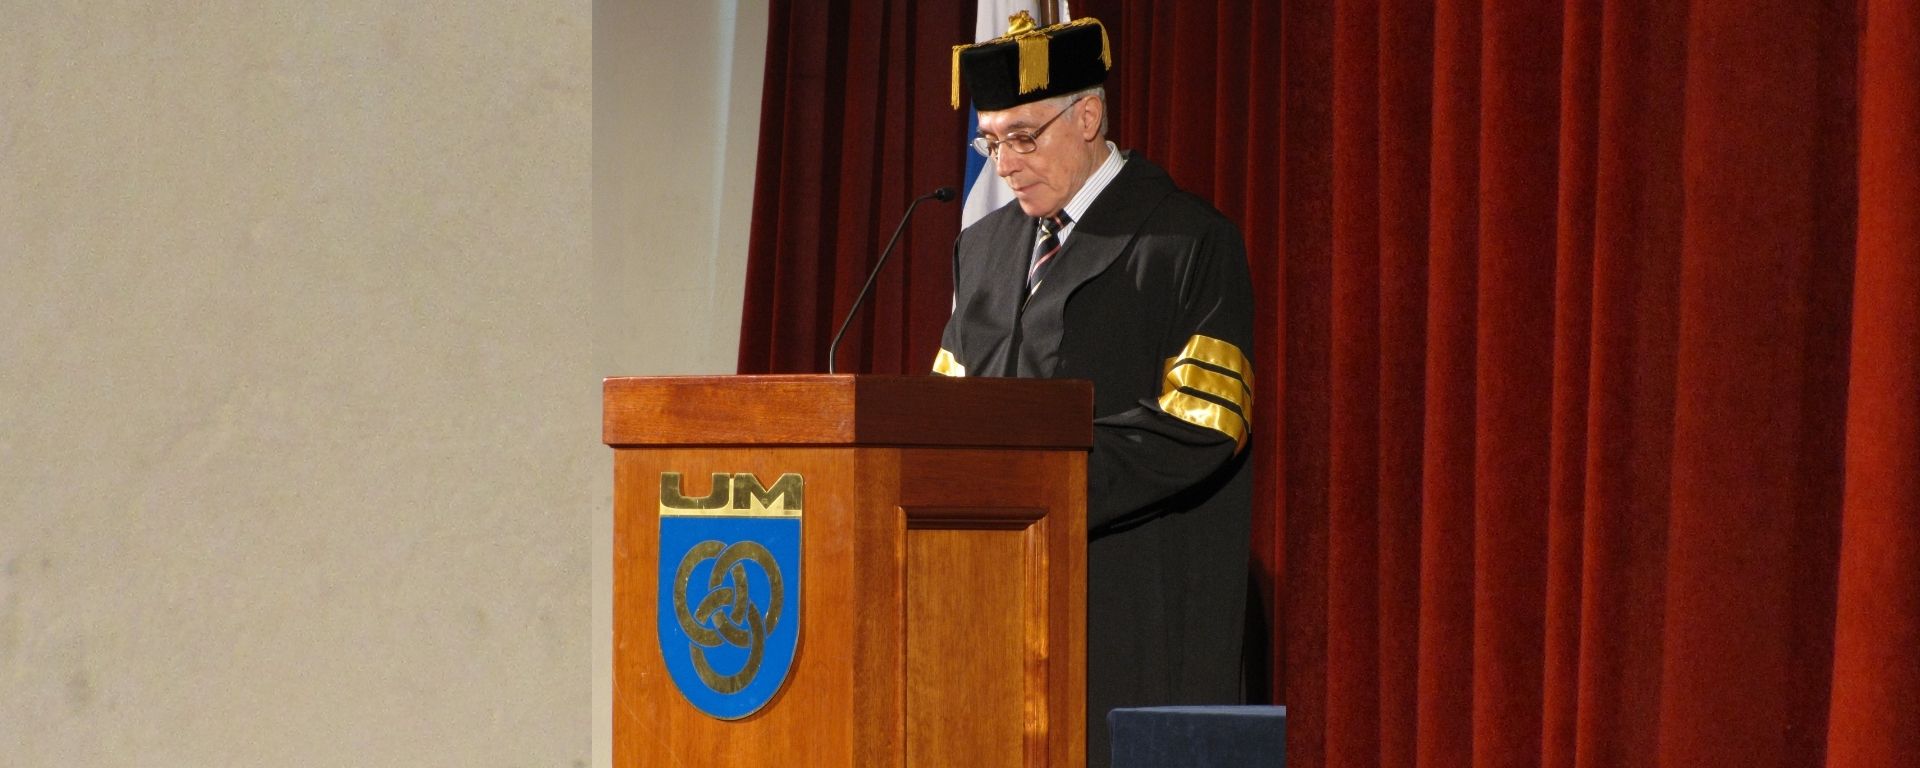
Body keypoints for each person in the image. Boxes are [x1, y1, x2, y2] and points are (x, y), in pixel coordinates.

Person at [936, 13, 1257, 768]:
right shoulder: (982, 250)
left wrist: (1042, 482)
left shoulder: (1185, 240)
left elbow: (1205, 420)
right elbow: (944, 414)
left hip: (1130, 603)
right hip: (996, 609)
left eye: (1022, 137)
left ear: (1087, 116)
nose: (1004, 165)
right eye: (991, 141)